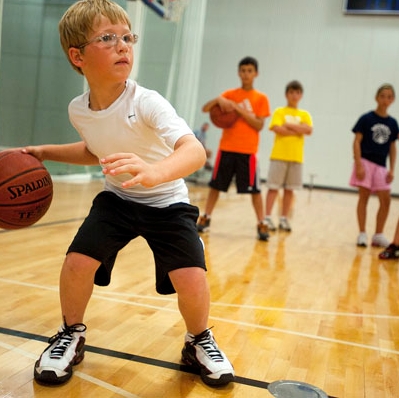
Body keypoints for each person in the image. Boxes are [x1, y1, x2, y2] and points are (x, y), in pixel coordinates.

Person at [23, 0, 234, 387]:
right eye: (108, 38)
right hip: (118, 200)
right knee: (76, 263)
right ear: (78, 56)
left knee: (191, 277)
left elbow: (194, 151)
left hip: (167, 201)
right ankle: (71, 332)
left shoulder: (147, 102)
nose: (123, 46)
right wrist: (43, 152)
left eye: (127, 37)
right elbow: (94, 150)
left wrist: (156, 172)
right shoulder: (78, 109)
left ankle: (198, 338)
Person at [196, 56, 271, 241]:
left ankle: (261, 223)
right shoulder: (229, 94)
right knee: (215, 186)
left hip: (248, 151)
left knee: (255, 190)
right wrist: (218, 100)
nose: (246, 74)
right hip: (227, 148)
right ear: (239, 73)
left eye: (249, 71)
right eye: (243, 70)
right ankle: (206, 217)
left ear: (256, 74)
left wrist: (238, 109)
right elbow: (205, 109)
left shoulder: (261, 98)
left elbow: (259, 125)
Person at [350, 83, 398, 248]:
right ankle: (362, 233)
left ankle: (378, 235)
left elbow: (392, 146)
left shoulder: (393, 123)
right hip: (365, 162)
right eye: (383, 96)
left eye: (389, 97)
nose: (385, 100)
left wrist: (392, 169)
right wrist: (358, 164)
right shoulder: (366, 118)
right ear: (377, 97)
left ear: (393, 100)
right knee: (364, 198)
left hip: (381, 166)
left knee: (386, 200)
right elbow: (357, 141)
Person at [263, 80, 313, 232]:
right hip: (279, 155)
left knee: (290, 190)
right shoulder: (280, 111)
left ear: (301, 95)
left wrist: (289, 126)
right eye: (291, 92)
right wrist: (299, 130)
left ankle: (284, 219)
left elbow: (309, 130)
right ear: (286, 94)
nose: (294, 95)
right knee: (273, 188)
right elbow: (277, 128)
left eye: (297, 92)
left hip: (296, 157)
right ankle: (267, 218)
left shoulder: (304, 114)